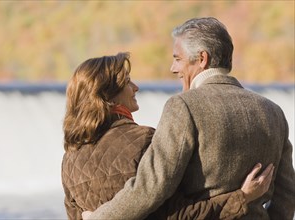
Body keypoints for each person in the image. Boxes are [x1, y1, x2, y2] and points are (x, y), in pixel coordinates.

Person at [84, 18, 295, 220]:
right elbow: (287, 194)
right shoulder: (273, 111)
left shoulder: (184, 106)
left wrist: (100, 217)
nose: (172, 68)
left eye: (177, 59)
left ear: (202, 59)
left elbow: (151, 187)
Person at [62, 52, 274, 220]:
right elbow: (180, 215)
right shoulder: (144, 140)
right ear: (108, 95)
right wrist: (242, 198)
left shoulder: (69, 159)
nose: (135, 87)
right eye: (127, 82)